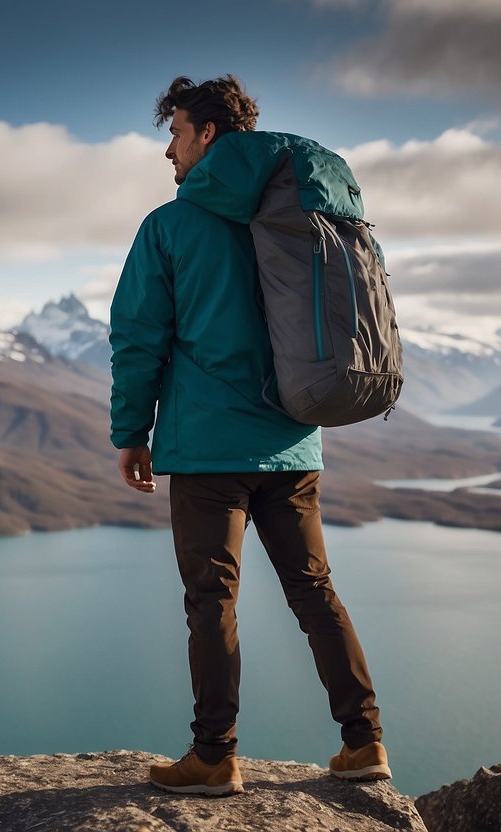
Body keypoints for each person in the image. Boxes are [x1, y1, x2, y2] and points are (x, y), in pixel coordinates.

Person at [109, 75, 389, 797]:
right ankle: (364, 743)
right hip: (294, 440)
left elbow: (138, 339)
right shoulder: (301, 208)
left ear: (207, 134)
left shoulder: (170, 226)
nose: (167, 151)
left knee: (212, 600)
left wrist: (130, 432)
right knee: (313, 589)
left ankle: (213, 757)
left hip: (207, 448)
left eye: (174, 132)